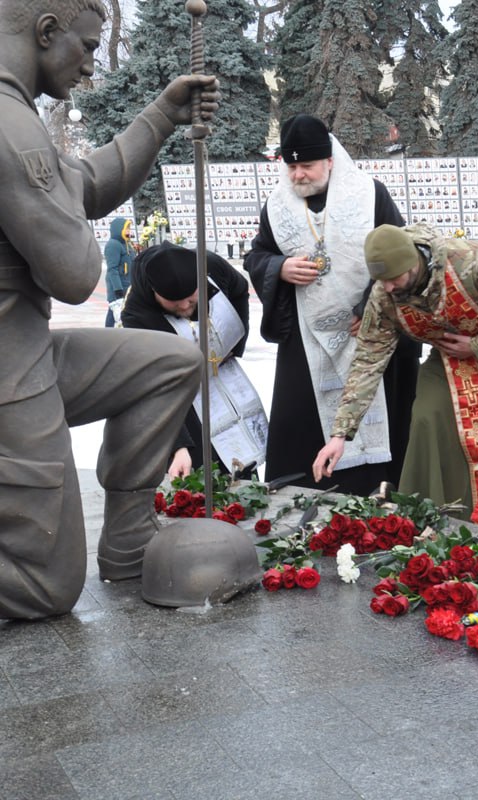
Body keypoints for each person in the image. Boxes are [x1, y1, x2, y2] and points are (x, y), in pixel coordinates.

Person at [0, 0, 219, 619]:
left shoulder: (17, 115)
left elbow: (84, 184)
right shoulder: (9, 125)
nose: (91, 66)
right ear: (47, 31)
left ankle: (127, 545)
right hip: (9, 376)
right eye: (90, 46)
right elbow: (75, 276)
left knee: (169, 364)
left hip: (25, 350)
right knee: (45, 585)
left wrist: (161, 117)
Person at [313, 224, 478, 534]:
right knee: (427, 416)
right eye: (382, 281)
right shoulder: (385, 295)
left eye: (394, 278)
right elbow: (368, 359)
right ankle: (433, 522)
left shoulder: (475, 262)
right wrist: (340, 434)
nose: (389, 288)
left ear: (414, 263)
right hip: (450, 363)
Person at [245, 114, 419, 495]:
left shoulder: (370, 194)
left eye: (306, 165)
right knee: (302, 422)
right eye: (291, 167)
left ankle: (383, 492)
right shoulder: (277, 206)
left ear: (329, 160)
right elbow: (257, 256)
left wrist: (370, 306)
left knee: (385, 416)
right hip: (308, 339)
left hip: (369, 329)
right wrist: (280, 267)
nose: (298, 175)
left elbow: (401, 254)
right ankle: (306, 492)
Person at [121, 242, 265, 480]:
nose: (185, 307)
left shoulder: (210, 265)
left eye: (190, 299)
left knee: (241, 451)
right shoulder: (136, 316)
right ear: (155, 293)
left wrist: (233, 344)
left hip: (223, 376)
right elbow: (152, 387)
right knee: (201, 466)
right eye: (174, 303)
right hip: (179, 394)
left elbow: (240, 290)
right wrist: (178, 447)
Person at [103, 216, 133, 327]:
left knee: (118, 314)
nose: (129, 231)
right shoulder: (113, 244)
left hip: (127, 286)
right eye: (126, 228)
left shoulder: (127, 244)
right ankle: (108, 333)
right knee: (115, 313)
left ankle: (110, 333)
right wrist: (117, 289)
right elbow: (112, 269)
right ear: (119, 229)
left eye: (129, 228)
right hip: (118, 288)